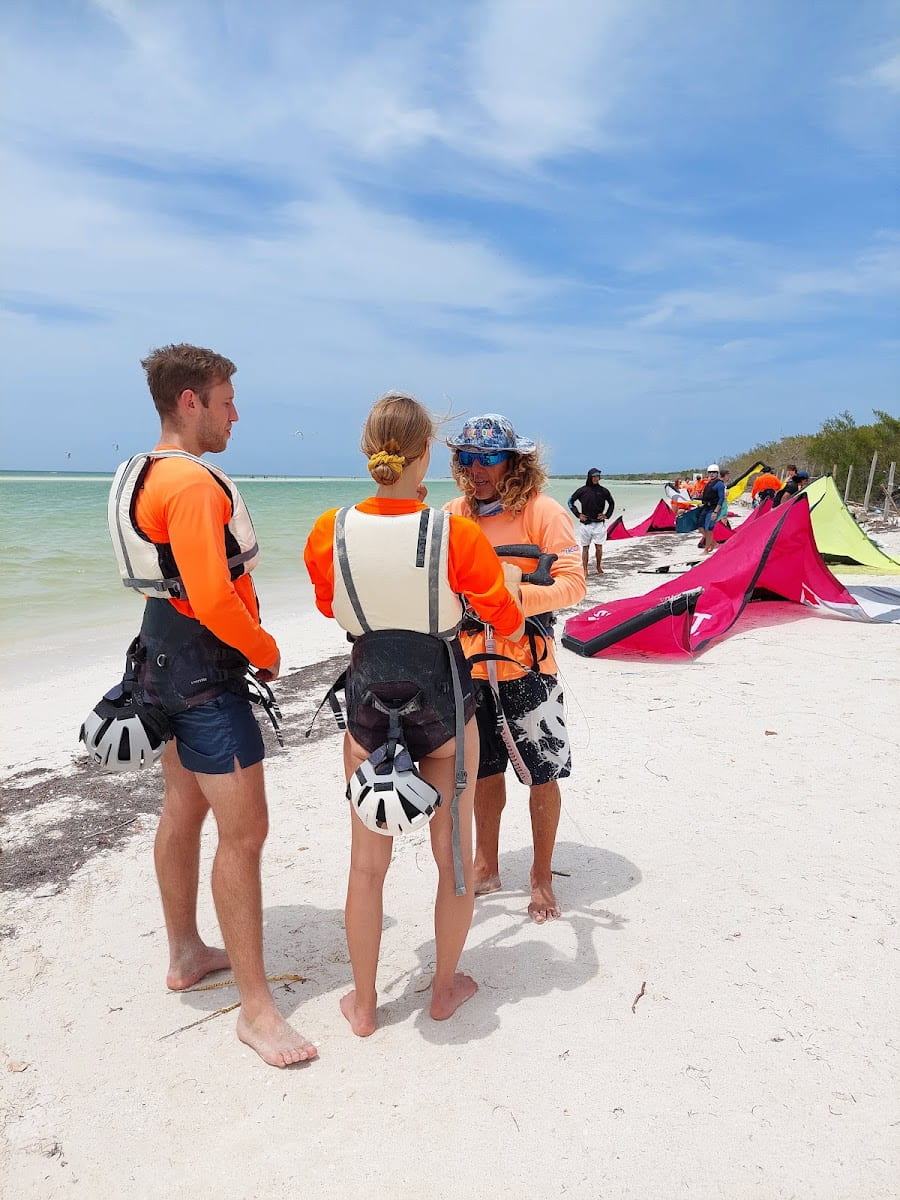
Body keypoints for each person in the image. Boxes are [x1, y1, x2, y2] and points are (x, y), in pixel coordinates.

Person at [112, 343, 317, 1068]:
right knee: (246, 833)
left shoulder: (143, 472)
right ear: (190, 402)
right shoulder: (194, 487)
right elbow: (211, 596)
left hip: (157, 659)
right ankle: (258, 1012)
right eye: (227, 400)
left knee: (182, 808)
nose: (237, 413)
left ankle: (186, 953)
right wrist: (265, 648)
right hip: (203, 675)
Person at [304, 394, 524, 1036]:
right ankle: (445, 987)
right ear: (427, 454)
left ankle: (366, 1004)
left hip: (368, 703)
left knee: (366, 866)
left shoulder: (329, 528)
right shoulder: (454, 532)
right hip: (445, 703)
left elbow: (328, 606)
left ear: (368, 451)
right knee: (452, 861)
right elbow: (504, 619)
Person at [445, 414, 586, 923]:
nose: (476, 468)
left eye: (488, 457)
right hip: (469, 666)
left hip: (529, 664)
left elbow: (573, 584)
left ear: (514, 461)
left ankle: (542, 877)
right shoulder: (453, 513)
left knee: (542, 773)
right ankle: (486, 864)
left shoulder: (542, 513)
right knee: (483, 772)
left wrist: (510, 597)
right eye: (467, 457)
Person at [568, 468, 615, 575]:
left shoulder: (603, 491)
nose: (596, 478)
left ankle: (598, 566)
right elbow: (570, 501)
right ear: (589, 477)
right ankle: (585, 569)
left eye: (597, 476)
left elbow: (611, 503)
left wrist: (607, 515)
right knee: (585, 547)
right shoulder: (582, 490)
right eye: (593, 476)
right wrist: (578, 514)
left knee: (599, 547)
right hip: (585, 524)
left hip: (599, 524)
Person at [699, 463, 726, 553]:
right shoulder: (708, 483)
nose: (712, 474)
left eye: (714, 472)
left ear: (717, 473)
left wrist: (715, 512)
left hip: (713, 509)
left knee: (708, 529)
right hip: (706, 508)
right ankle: (714, 543)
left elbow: (721, 499)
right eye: (710, 472)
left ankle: (706, 549)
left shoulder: (719, 484)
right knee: (701, 528)